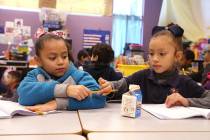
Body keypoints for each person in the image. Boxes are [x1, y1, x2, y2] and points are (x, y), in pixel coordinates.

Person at [98, 25, 210, 109]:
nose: (155, 59)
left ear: (177, 56)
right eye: (151, 53)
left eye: (162, 54)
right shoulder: (142, 76)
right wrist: (110, 86)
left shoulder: (184, 82)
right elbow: (121, 84)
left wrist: (187, 101)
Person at [17, 33, 106, 112]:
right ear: (38, 60)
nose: (60, 62)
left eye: (64, 56)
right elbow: (23, 95)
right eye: (52, 58)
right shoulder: (35, 75)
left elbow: (99, 97)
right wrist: (65, 90)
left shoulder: (80, 76)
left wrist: (58, 103)